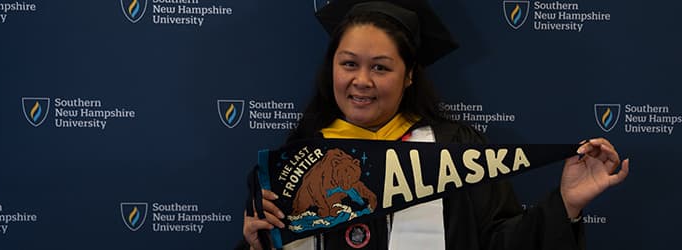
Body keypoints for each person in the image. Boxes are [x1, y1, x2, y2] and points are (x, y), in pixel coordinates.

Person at [239, 0, 630, 249]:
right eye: (349, 63)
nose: (361, 80)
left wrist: (566, 204)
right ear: (333, 68)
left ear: (409, 75)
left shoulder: (456, 150)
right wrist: (255, 245)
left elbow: (501, 243)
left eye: (381, 67)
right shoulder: (294, 161)